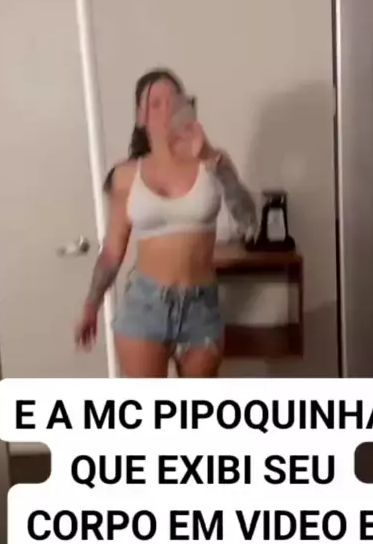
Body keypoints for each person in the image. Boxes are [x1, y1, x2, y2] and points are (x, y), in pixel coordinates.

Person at [75, 68, 257, 377]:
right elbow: (112, 252)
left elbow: (248, 221)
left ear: (186, 106)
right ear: (140, 117)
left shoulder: (213, 160)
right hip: (145, 307)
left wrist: (214, 160)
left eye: (173, 100)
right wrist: (91, 305)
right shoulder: (126, 175)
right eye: (155, 103)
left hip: (201, 309)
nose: (166, 109)